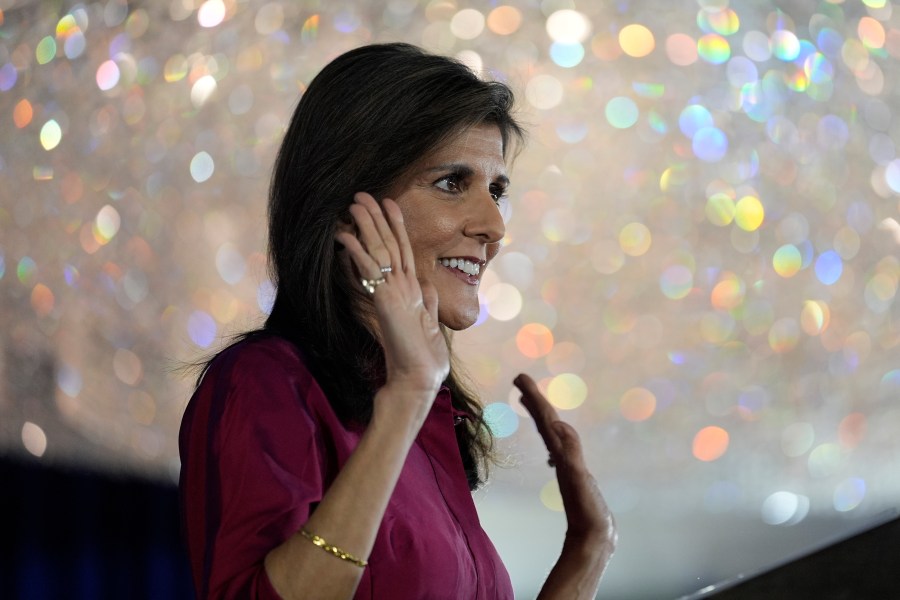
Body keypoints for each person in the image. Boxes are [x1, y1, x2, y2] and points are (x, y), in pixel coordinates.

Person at [179, 42, 616, 599]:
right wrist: (407, 396)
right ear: (346, 200)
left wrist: (589, 547)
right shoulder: (264, 383)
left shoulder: (430, 416)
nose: (493, 226)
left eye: (498, 191)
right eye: (453, 182)